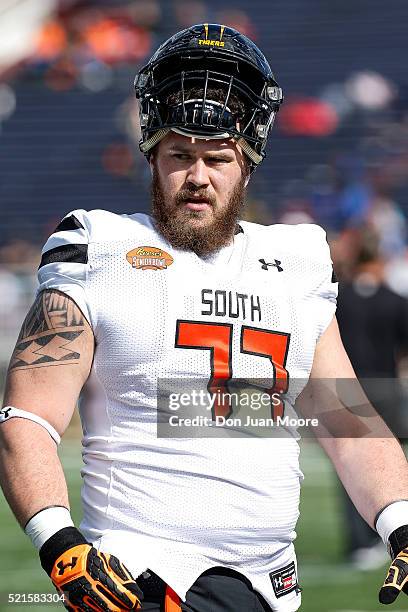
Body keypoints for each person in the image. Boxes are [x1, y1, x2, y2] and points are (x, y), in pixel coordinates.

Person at [0, 23, 407, 612]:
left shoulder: (297, 260)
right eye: (179, 155)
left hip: (268, 584)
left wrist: (398, 520)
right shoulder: (99, 248)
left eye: (217, 157)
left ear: (248, 162)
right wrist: (59, 543)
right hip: (138, 578)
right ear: (151, 152)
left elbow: (344, 413)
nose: (197, 177)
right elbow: (28, 415)